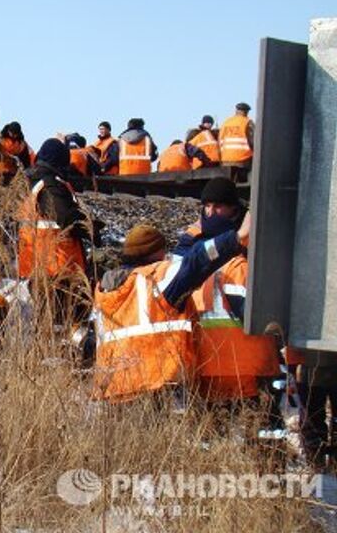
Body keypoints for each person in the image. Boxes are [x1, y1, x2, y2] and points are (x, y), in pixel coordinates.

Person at [93, 213, 251, 402]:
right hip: (158, 385)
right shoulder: (157, 278)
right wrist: (237, 237)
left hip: (115, 391)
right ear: (157, 253)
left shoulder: (103, 289)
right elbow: (198, 259)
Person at [173, 178, 280, 404]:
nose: (211, 213)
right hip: (206, 350)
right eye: (207, 206)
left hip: (245, 350)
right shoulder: (194, 235)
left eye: (218, 206)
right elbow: (182, 267)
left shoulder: (256, 230)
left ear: (233, 207)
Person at [18, 137, 89, 328]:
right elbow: (65, 218)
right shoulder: (51, 185)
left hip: (38, 264)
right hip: (57, 266)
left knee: (46, 322)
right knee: (63, 323)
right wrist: (91, 229)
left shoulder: (32, 183)